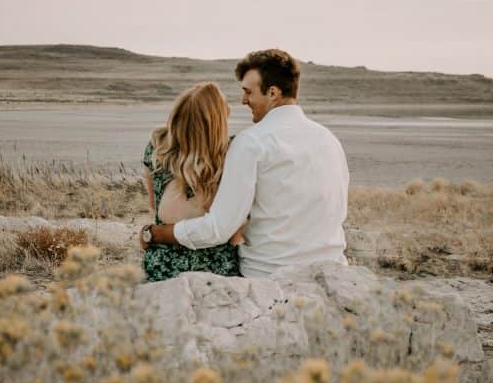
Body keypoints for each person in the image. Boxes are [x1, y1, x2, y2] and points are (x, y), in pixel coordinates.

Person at [140, 49, 350, 278]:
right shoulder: (329, 139)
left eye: (248, 92)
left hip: (269, 272)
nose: (243, 100)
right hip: (331, 269)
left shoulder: (251, 142)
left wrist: (155, 233)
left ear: (272, 93)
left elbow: (217, 229)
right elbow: (338, 211)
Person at [141, 81, 243, 282]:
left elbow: (155, 204)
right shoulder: (233, 152)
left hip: (162, 265)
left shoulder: (157, 147)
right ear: (216, 122)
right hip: (217, 269)